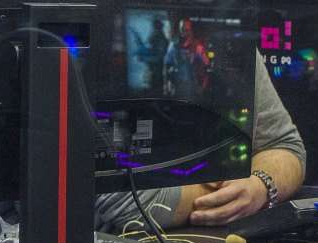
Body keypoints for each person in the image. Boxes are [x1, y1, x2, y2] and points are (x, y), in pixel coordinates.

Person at [96, 51, 306, 230]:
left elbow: (284, 145)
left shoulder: (234, 41)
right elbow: (118, 200)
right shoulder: (111, 49)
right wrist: (229, 191)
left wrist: (258, 186)